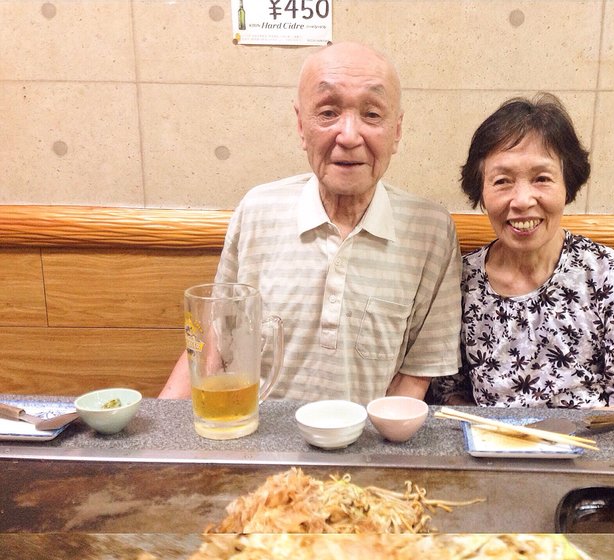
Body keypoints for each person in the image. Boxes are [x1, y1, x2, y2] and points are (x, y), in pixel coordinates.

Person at [160, 41, 461, 404]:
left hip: (365, 445)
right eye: (328, 112)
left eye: (372, 114)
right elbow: (216, 343)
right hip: (257, 440)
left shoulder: (430, 230)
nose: (349, 136)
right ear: (301, 125)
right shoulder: (258, 210)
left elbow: (417, 373)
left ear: (396, 131)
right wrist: (159, 438)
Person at [432, 94, 614, 411]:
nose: (522, 200)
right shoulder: (459, 281)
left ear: (568, 185)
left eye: (541, 178)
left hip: (590, 453)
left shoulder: (611, 275)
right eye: (502, 181)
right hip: (490, 452)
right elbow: (448, 392)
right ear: (480, 191)